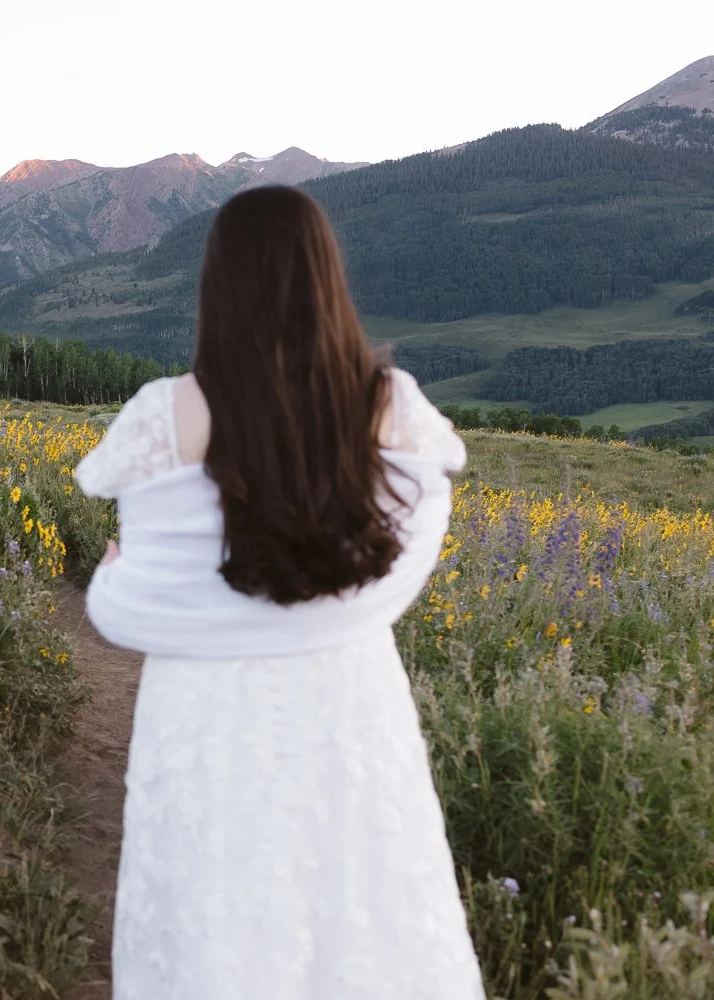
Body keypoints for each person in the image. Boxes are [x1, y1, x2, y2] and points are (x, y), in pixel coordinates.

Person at [74, 185, 484, 999]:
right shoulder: (387, 406)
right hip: (348, 701)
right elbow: (413, 546)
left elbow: (129, 605)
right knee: (360, 911)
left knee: (211, 924)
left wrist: (114, 573)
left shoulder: (165, 416)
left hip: (203, 714)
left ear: (215, 289)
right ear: (326, 278)